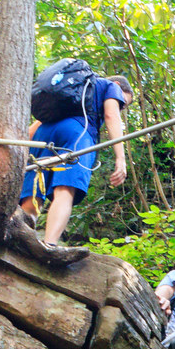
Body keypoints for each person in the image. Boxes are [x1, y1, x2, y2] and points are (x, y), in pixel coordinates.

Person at [18, 73, 133, 246]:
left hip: (44, 134)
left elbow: (33, 129)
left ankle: (18, 241)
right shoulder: (111, 87)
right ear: (117, 85)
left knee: (33, 193)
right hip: (77, 135)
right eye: (123, 103)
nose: (121, 107)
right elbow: (111, 116)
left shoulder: (73, 91)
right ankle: (49, 246)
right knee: (65, 190)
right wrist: (121, 158)